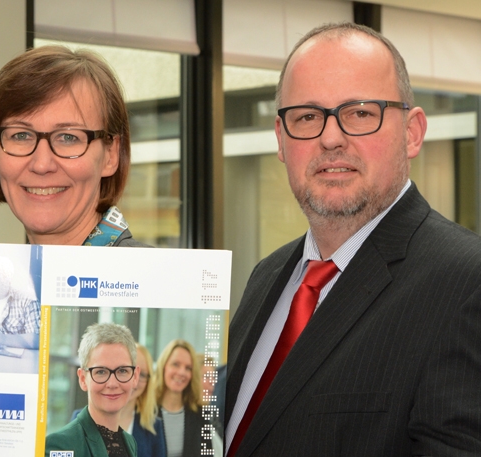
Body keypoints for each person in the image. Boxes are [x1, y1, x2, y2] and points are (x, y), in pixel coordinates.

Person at [225, 22, 481, 457]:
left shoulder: (467, 283)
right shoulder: (266, 276)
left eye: (360, 113)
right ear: (281, 141)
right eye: (307, 116)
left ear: (412, 132)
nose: (330, 138)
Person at [0, 45, 147, 247]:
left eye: (68, 137)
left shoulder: (152, 269)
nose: (41, 164)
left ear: (110, 155)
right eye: (21, 135)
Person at [45, 323, 140, 457]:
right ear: (83, 379)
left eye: (122, 371)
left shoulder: (130, 442)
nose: (112, 383)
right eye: (101, 372)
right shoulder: (60, 444)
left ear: (135, 376)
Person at [155, 340, 219, 457]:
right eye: (176, 364)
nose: (181, 372)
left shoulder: (199, 414)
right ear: (163, 366)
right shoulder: (146, 411)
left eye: (188, 368)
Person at [121, 344, 166, 457]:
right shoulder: (81, 421)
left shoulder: (154, 427)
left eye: (141, 374)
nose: (134, 381)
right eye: (127, 370)